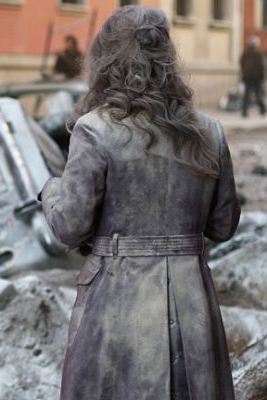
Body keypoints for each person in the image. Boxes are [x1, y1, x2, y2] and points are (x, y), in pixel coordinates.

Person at [39, 6, 240, 400]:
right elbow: (223, 225)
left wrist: (49, 189)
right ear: (167, 59)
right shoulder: (209, 131)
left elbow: (69, 226)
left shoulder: (95, 129)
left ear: (106, 60)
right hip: (192, 302)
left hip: (116, 302)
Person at [240, 36, 266, 118]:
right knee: (257, 95)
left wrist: (244, 74)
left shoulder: (246, 53)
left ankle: (246, 111)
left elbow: (242, 64)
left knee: (248, 96)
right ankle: (262, 109)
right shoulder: (257, 54)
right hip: (255, 78)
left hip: (249, 78)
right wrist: (262, 77)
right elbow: (262, 67)